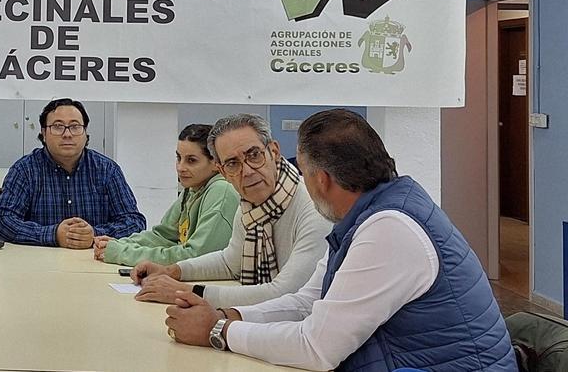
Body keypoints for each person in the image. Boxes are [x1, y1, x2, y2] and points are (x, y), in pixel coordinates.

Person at [163, 109, 517, 371]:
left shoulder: (389, 230)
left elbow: (316, 347)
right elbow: (307, 301)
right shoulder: (370, 215)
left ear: (321, 180)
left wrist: (219, 331)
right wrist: (229, 314)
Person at [131, 113, 329, 307]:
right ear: (223, 171)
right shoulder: (249, 205)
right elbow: (230, 262)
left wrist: (185, 292)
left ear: (274, 152)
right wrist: (172, 271)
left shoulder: (315, 207)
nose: (248, 171)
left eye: (254, 155)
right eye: (233, 163)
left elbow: (286, 293)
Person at [0, 98, 146, 247]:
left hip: (93, 261)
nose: (67, 134)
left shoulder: (107, 170)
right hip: (39, 263)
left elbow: (134, 222)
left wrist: (94, 234)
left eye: (75, 126)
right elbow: (1, 222)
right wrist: (52, 234)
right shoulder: (25, 170)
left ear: (85, 133)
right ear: (43, 133)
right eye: (58, 126)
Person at [94, 123, 239, 267]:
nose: (181, 168)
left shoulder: (222, 191)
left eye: (191, 161)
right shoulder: (193, 188)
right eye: (178, 158)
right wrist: (119, 244)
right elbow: (163, 236)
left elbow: (195, 257)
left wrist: (122, 253)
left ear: (216, 163)